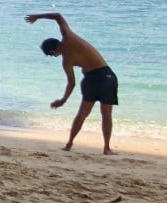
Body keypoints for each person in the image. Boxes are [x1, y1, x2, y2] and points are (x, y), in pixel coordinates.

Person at [26, 12, 118, 154]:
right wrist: (38, 17)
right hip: (104, 76)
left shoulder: (67, 56)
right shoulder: (69, 39)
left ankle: (69, 144)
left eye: (52, 54)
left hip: (93, 78)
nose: (54, 56)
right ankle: (106, 148)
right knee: (105, 114)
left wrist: (63, 100)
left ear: (54, 49)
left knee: (83, 114)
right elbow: (58, 16)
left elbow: (71, 83)